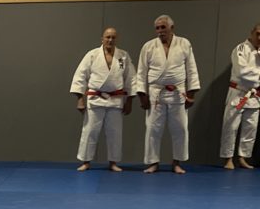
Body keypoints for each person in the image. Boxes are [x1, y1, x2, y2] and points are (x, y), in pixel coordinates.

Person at [136, 14, 200, 174]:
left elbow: (191, 69)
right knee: (152, 129)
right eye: (157, 28)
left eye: (163, 27)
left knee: (180, 128)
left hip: (178, 93)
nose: (160, 31)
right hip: (155, 93)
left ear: (172, 28)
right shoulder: (149, 46)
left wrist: (191, 94)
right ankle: (153, 162)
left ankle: (177, 162)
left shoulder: (184, 43)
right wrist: (142, 95)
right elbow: (141, 72)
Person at [70, 27, 136, 172]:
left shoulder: (123, 56)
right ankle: (86, 161)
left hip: (116, 100)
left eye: (113, 37)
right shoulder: (92, 55)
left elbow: (131, 79)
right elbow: (80, 76)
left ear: (116, 39)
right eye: (107, 37)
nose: (110, 40)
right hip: (95, 98)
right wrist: (80, 99)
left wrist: (129, 101)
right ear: (102, 39)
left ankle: (113, 162)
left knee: (115, 133)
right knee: (90, 131)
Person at [220, 24, 260, 170]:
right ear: (252, 33)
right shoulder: (241, 49)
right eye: (258, 33)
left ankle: (243, 157)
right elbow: (242, 72)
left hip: (254, 95)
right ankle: (228, 158)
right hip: (238, 93)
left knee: (251, 127)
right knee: (231, 126)